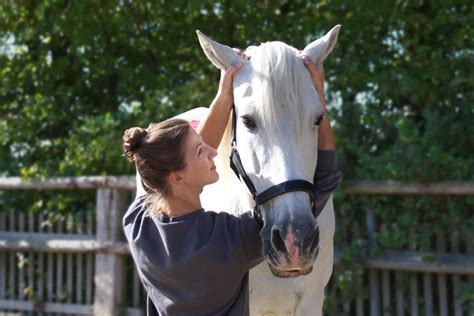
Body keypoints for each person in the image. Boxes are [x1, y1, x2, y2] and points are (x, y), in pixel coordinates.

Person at [122, 55, 341, 315]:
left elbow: (160, 174)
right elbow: (325, 179)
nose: (214, 152)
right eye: (200, 152)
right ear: (177, 177)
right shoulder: (229, 242)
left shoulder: (137, 224)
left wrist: (224, 96)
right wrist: (317, 98)